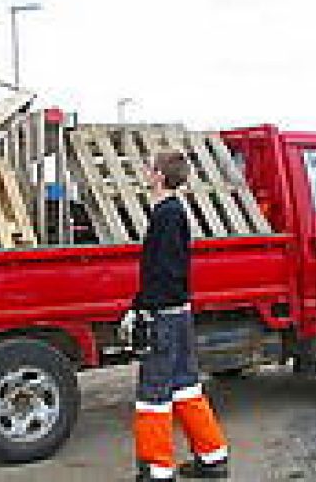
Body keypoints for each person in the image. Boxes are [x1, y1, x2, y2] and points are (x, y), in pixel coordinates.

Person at [122, 150, 229, 481]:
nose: (146, 172)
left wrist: (142, 308)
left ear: (159, 175)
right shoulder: (174, 211)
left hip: (164, 316)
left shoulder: (166, 215)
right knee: (185, 386)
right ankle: (212, 457)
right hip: (178, 313)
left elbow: (164, 272)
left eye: (149, 168)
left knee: (153, 394)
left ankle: (156, 471)